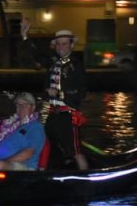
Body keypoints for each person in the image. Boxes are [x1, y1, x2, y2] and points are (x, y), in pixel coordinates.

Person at [21, 19, 88, 170]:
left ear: (71, 45)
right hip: (52, 113)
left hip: (69, 115)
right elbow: (35, 54)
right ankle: (45, 173)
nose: (61, 47)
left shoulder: (77, 66)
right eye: (58, 44)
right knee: (44, 143)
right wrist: (25, 36)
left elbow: (81, 92)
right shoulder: (53, 61)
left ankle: (88, 181)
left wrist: (60, 93)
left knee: (76, 151)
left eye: (64, 43)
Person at [0, 92, 46, 171]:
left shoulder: (36, 127)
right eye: (18, 105)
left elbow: (28, 153)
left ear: (33, 107)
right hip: (0, 162)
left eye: (24, 104)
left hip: (23, 166)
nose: (20, 107)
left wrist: (4, 161)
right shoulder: (11, 125)